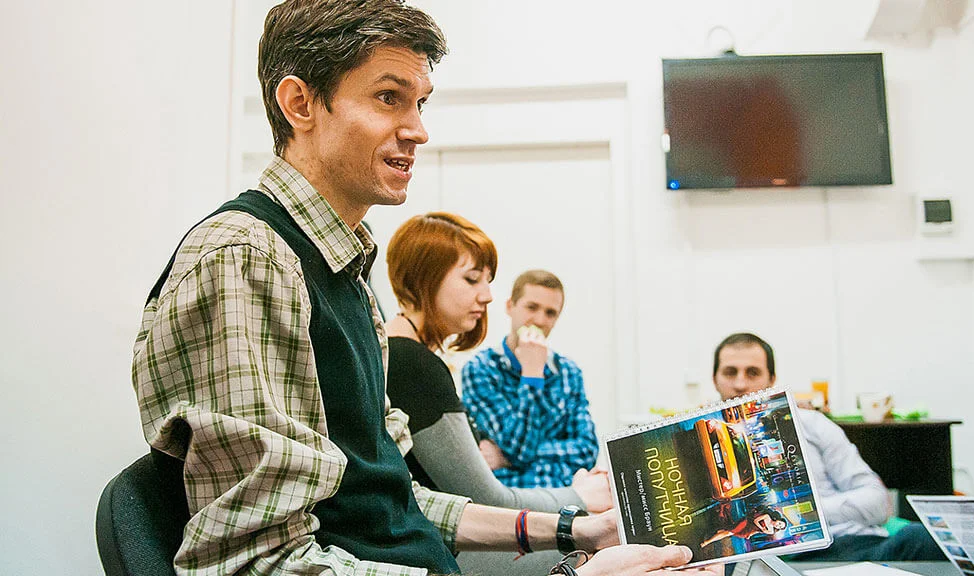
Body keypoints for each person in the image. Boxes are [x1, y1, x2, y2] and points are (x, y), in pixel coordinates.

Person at [131, 1, 720, 574]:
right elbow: (256, 563)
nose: (418, 130)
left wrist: (575, 530)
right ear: (300, 103)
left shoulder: (342, 271)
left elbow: (390, 500)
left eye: (420, 103)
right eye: (389, 98)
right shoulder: (246, 259)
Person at [383, 212, 614, 575]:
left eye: (488, 282)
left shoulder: (406, 356)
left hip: (461, 534)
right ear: (424, 278)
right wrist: (580, 495)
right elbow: (487, 495)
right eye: (472, 279)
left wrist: (508, 457)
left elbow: (582, 448)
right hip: (441, 550)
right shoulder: (415, 364)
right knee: (615, 547)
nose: (487, 296)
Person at [708, 332, 944, 562]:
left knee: (924, 538)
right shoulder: (703, 434)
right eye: (730, 372)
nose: (740, 384)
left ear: (771, 380)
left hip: (845, 547)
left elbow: (877, 502)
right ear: (715, 379)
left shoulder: (811, 423)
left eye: (753, 373)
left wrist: (802, 511)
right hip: (756, 560)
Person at [462, 269, 600, 490]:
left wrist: (505, 458)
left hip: (565, 498)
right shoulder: (481, 369)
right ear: (510, 306)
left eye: (550, 313)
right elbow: (519, 448)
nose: (540, 320)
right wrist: (532, 374)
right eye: (532, 307)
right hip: (510, 500)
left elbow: (587, 450)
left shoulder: (569, 372)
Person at [700, 506, 788, 548]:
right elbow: (756, 521)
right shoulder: (767, 517)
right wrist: (762, 528)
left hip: (747, 531)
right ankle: (707, 542)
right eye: (780, 523)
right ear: (778, 520)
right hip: (746, 523)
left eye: (780, 527)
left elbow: (758, 531)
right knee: (728, 532)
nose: (778, 525)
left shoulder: (771, 531)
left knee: (727, 532)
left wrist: (750, 534)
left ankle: (717, 531)